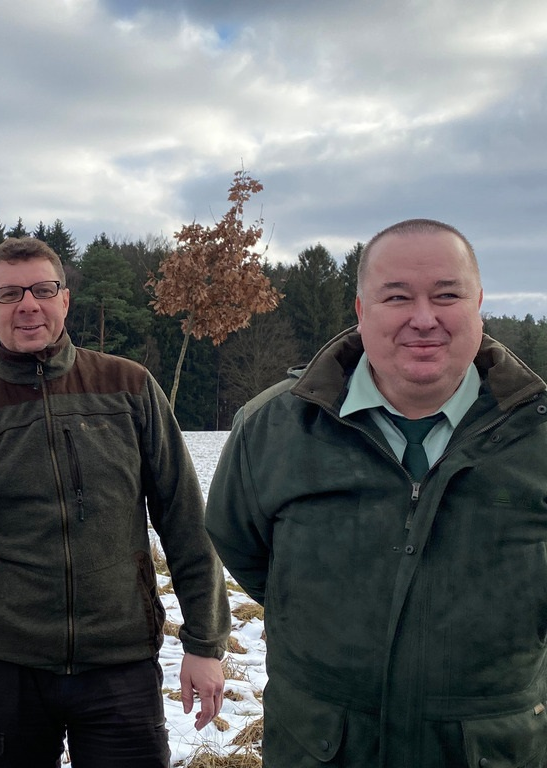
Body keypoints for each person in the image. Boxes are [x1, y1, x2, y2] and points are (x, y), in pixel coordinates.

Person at [204, 218, 547, 767]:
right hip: (322, 748)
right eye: (397, 297)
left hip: (494, 750)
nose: (424, 318)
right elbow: (242, 545)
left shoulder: (537, 434)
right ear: (362, 311)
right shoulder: (273, 427)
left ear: (479, 303)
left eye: (447, 295)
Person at [0, 237, 231, 768]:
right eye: (8, 294)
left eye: (43, 290)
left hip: (120, 666)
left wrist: (205, 643)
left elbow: (185, 520)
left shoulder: (130, 390)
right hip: (7, 675)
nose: (28, 305)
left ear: (65, 300)